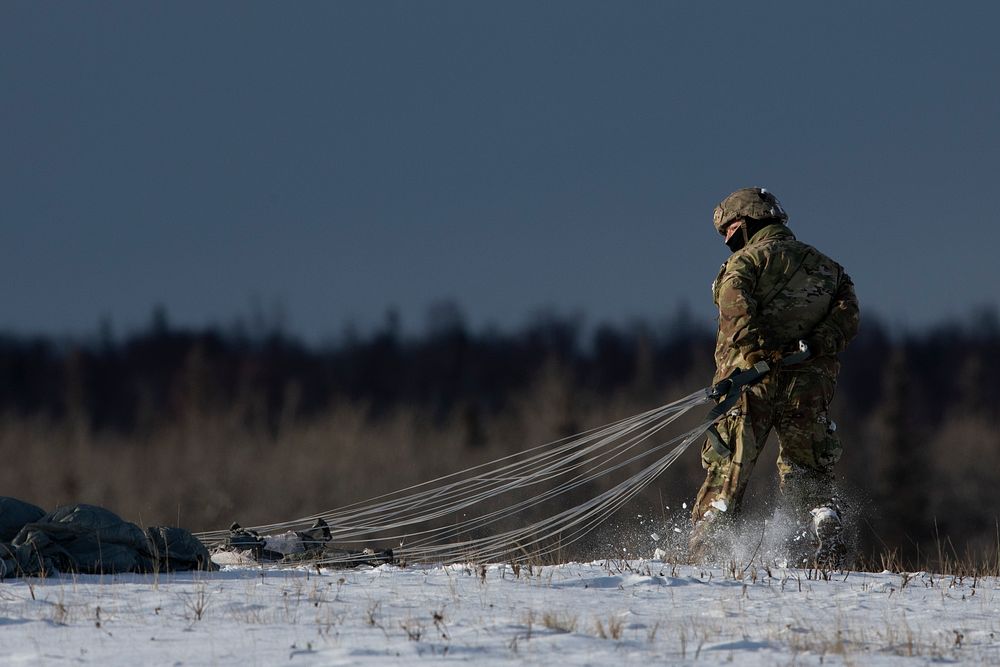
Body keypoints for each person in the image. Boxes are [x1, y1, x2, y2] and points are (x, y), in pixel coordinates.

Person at [690, 187, 860, 566]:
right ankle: (824, 527)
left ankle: (705, 553)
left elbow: (733, 308)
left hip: (750, 385)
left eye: (729, 230)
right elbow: (848, 318)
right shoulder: (828, 268)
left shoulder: (746, 264)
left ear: (747, 223)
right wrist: (814, 345)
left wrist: (755, 355)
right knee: (809, 468)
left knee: (727, 470)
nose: (727, 239)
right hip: (808, 386)